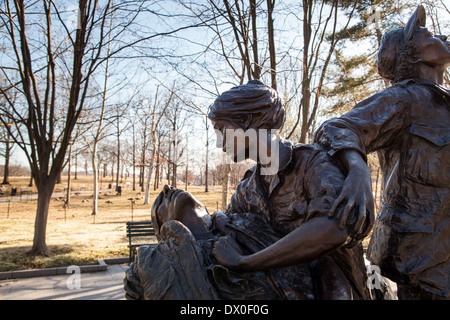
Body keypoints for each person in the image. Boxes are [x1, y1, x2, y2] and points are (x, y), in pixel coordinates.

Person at [313, 5, 449, 300]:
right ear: (414, 55)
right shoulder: (405, 99)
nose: (440, 35)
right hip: (422, 260)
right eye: (427, 34)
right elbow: (335, 129)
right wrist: (358, 168)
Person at [208, 79, 372, 299]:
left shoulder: (313, 162)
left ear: (246, 121)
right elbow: (230, 228)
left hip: (335, 289)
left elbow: (333, 228)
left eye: (221, 130)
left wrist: (245, 263)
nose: (219, 143)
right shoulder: (246, 189)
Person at [125, 186, 362, 300]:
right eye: (159, 203)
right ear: (162, 229)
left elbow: (317, 261)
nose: (168, 188)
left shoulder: (250, 222)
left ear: (205, 208)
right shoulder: (149, 265)